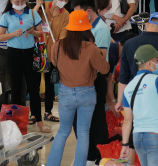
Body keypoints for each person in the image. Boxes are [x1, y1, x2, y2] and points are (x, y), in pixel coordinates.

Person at [46, 10, 110, 166]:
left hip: (65, 93)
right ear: (87, 28)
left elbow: (53, 63)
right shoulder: (91, 48)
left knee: (62, 132)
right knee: (83, 134)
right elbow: (105, 69)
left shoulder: (58, 46)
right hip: (87, 94)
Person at [120, 44, 158, 166]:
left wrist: (125, 144)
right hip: (157, 135)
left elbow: (127, 120)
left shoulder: (128, 88)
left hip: (138, 138)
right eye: (156, 60)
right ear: (149, 63)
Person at [0, 0, 49, 132]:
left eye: (22, 1)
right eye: (17, 1)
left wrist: (33, 32)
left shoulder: (32, 13)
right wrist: (13, 34)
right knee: (16, 88)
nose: (19, 4)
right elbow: (0, 36)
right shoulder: (6, 15)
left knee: (34, 88)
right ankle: (16, 121)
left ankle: (38, 120)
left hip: (30, 54)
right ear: (11, 0)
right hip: (13, 54)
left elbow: (41, 34)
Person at [37, 0, 71, 122]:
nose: (63, 2)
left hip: (51, 53)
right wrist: (37, 7)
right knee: (34, 83)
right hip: (36, 51)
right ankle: (34, 114)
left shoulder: (66, 15)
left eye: (66, 0)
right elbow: (31, 20)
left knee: (50, 84)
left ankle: (48, 112)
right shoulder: (42, 7)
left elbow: (62, 37)